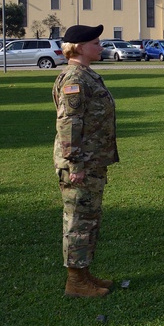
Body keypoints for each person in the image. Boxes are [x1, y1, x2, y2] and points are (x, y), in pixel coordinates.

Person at [53, 24, 118, 298]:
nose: (100, 46)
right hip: (81, 164)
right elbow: (69, 125)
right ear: (79, 48)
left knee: (88, 219)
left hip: (92, 161)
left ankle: (83, 272)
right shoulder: (74, 79)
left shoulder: (86, 75)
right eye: (96, 43)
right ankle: (75, 281)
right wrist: (75, 164)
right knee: (78, 220)